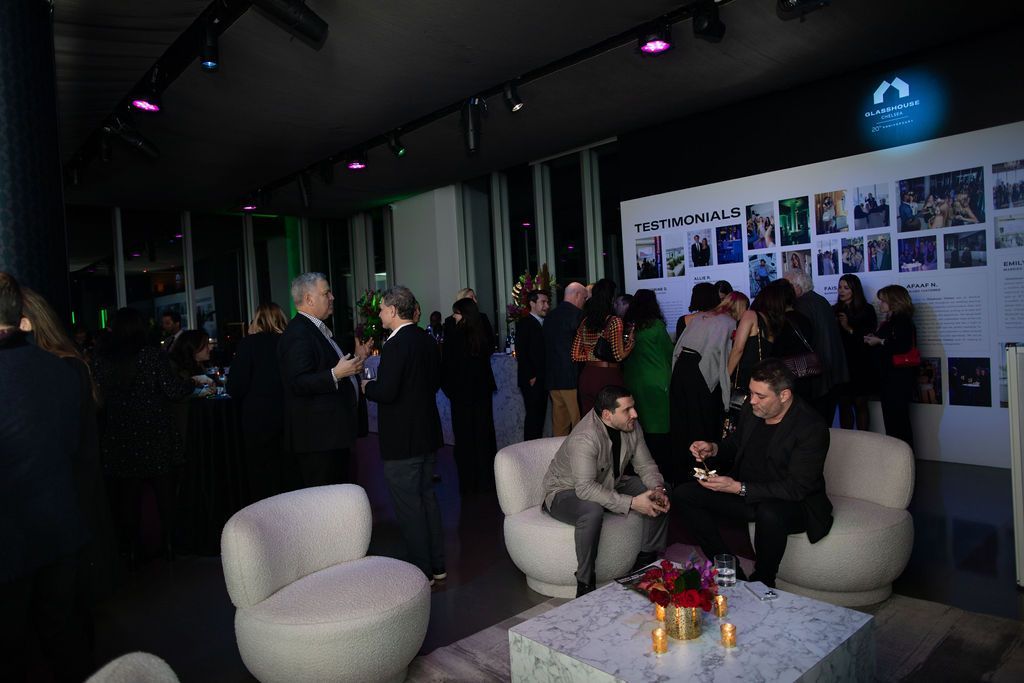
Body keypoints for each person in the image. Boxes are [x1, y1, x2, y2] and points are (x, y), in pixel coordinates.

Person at [2, 275, 93, 681]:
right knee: (61, 640)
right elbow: (71, 447)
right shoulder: (63, 370)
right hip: (60, 527)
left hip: (10, 538)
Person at [673, 359, 832, 588]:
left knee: (770, 512)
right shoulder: (752, 409)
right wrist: (713, 448)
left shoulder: (810, 427)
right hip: (747, 491)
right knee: (684, 494)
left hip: (792, 502)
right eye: (751, 392)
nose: (752, 400)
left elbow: (796, 488)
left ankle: (763, 580)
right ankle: (729, 568)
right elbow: (738, 443)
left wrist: (737, 487)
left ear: (784, 395)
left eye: (760, 396)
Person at [542, 385, 670, 597]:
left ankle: (645, 563)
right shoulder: (586, 438)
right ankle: (585, 583)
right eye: (627, 410)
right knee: (592, 511)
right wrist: (631, 503)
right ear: (607, 415)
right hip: (566, 492)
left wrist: (657, 488)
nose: (635, 414)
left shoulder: (631, 425)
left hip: (609, 482)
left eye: (634, 407)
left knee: (661, 492)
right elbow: (585, 489)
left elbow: (646, 466)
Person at [91, 307, 194, 565]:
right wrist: (192, 383)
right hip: (154, 431)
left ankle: (133, 550)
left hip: (120, 433)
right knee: (164, 495)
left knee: (128, 498)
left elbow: (98, 398)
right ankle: (170, 546)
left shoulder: (103, 359)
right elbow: (173, 390)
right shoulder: (152, 356)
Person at [363, 286, 446, 585]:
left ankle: (421, 572)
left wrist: (365, 387)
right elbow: (435, 381)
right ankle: (437, 565)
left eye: (383, 309)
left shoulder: (396, 345)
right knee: (427, 500)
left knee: (410, 507)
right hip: (426, 433)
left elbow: (386, 391)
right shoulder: (426, 339)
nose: (381, 313)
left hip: (403, 439)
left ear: (395, 311)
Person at [278, 272, 366, 488]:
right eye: (326, 293)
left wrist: (353, 363)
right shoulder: (299, 333)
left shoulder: (316, 329)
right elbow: (297, 382)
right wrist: (335, 374)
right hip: (318, 440)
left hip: (331, 436)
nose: (333, 297)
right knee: (323, 503)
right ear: (309, 299)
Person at [669, 292, 746, 482]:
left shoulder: (701, 317)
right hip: (701, 373)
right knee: (702, 422)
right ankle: (702, 473)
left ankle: (681, 473)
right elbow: (727, 354)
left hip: (680, 370)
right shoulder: (729, 323)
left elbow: (678, 346)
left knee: (681, 422)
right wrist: (724, 378)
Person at [227, 303, 292, 500]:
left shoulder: (249, 344)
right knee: (286, 473)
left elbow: (235, 387)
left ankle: (262, 525)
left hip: (259, 419)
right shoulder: (290, 342)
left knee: (260, 475)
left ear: (257, 320)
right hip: (288, 416)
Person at [442, 297, 498, 494]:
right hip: (481, 392)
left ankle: (469, 482)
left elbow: (446, 367)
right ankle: (486, 481)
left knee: (465, 439)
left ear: (463, 316)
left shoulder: (454, 337)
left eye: (456, 313)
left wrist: (450, 391)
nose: (453, 317)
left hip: (461, 394)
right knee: (483, 436)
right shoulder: (482, 336)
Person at [784, 269, 848, 425]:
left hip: (815, 373)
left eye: (787, 286)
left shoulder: (800, 305)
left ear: (796, 286)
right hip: (832, 369)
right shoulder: (821, 300)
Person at [622, 290, 674, 479]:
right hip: (657, 382)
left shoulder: (628, 327)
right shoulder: (657, 326)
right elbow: (669, 352)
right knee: (659, 428)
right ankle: (661, 472)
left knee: (638, 425)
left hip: (633, 380)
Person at [572, 279, 635, 417]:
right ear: (611, 298)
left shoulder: (585, 321)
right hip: (607, 377)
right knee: (612, 422)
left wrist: (591, 356)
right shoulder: (614, 321)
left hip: (587, 376)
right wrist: (630, 344)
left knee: (590, 423)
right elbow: (619, 356)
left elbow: (575, 355)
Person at [864, 285, 916, 451]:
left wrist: (879, 341)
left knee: (898, 423)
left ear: (894, 302)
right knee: (894, 422)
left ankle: (904, 463)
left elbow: (902, 345)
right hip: (891, 379)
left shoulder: (902, 320)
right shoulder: (893, 320)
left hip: (897, 380)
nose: (880, 304)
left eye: (883, 301)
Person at [833, 275, 877, 430]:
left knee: (860, 403)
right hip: (842, 364)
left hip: (861, 363)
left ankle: (864, 443)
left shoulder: (867, 310)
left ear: (855, 289)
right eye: (840, 287)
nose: (841, 291)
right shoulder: (835, 310)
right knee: (844, 404)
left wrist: (849, 328)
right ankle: (848, 444)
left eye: (846, 288)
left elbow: (870, 337)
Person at [544, 282, 588, 436]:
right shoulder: (578, 315)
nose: (584, 302)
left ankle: (559, 456)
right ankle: (578, 458)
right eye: (584, 298)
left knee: (559, 424)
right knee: (578, 423)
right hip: (571, 377)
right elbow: (582, 347)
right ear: (576, 295)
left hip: (552, 379)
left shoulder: (549, 316)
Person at [516, 290, 550, 441]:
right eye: (543, 302)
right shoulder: (525, 323)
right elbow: (521, 352)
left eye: (547, 302)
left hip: (543, 377)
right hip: (532, 379)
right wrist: (531, 376)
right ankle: (529, 453)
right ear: (532, 303)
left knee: (540, 417)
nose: (547, 306)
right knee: (533, 417)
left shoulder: (545, 322)